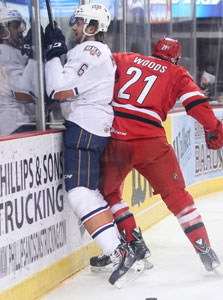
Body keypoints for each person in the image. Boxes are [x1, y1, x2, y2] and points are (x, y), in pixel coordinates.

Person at [90, 36, 223, 274]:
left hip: (118, 138)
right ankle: (204, 249)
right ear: (176, 57)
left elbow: (96, 65)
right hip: (151, 142)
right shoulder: (177, 72)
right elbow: (195, 103)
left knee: (109, 193)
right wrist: (213, 129)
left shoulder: (126, 58)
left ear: (153, 50)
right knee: (177, 197)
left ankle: (135, 242)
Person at [44, 3, 144, 287]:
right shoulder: (95, 52)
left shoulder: (91, 51)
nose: (73, 27)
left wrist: (52, 56)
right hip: (91, 126)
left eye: (78, 22)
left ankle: (119, 251)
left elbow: (57, 89)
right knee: (91, 193)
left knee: (79, 194)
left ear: (92, 27)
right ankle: (123, 248)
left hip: (85, 127)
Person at [0, 7, 36, 136]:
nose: (21, 30)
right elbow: (25, 91)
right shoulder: (4, 53)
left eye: (21, 25)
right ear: (3, 32)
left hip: (20, 122)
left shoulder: (15, 51)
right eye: (16, 26)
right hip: (13, 125)